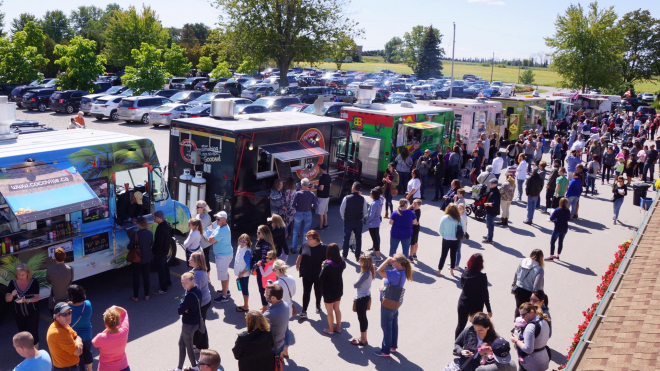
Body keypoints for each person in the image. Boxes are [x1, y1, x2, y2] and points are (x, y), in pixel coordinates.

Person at [374, 253, 413, 357]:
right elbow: (384, 279)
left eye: (393, 260)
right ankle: (393, 346)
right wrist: (383, 285)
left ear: (399, 263)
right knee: (394, 324)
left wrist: (386, 260)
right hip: (396, 301)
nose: (391, 261)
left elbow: (379, 271)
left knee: (386, 326)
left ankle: (385, 351)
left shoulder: (395, 274)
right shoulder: (402, 272)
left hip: (388, 302)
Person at [456, 254, 492, 339]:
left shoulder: (464, 272)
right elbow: (485, 294)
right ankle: (475, 346)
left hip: (463, 303)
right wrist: (489, 309)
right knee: (477, 327)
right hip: (476, 306)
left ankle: (457, 346)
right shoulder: (481, 277)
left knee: (460, 326)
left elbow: (462, 284)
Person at [5, 264, 41, 346]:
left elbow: (36, 298)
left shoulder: (33, 282)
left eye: (22, 275)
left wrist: (27, 300)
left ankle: (35, 355)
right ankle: (27, 354)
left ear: (27, 273)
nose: (20, 277)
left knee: (33, 334)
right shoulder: (12, 283)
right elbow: (7, 299)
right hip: (18, 314)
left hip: (32, 313)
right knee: (23, 335)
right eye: (18, 275)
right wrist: (12, 295)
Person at [295, 230, 326, 319]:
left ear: (316, 239)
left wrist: (324, 265)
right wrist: (297, 263)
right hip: (306, 273)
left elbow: (327, 260)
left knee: (318, 290)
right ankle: (304, 311)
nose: (307, 240)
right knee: (306, 292)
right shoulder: (305, 245)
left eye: (310, 238)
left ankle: (318, 305)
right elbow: (300, 254)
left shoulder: (323, 247)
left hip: (318, 273)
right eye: (307, 238)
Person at [511, 303, 551, 371]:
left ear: (532, 312)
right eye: (521, 315)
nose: (522, 317)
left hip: (531, 364)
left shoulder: (530, 327)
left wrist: (516, 341)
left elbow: (528, 349)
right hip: (543, 358)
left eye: (524, 315)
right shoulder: (544, 320)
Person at [175, 272, 202, 371]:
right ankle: (179, 368)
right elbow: (184, 308)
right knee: (181, 344)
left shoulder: (189, 296)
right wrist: (185, 307)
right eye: (182, 282)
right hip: (193, 322)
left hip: (189, 325)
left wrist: (183, 305)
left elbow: (179, 310)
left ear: (192, 281)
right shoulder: (197, 290)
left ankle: (194, 367)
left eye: (185, 282)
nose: (183, 284)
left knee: (189, 346)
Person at [47, 302, 84, 371]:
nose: (68, 316)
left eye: (69, 313)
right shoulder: (59, 332)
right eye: (64, 314)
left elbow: (76, 336)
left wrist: (77, 341)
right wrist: (79, 342)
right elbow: (78, 351)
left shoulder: (63, 325)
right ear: (56, 316)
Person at [319, 243, 346, 335]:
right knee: (337, 309)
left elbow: (320, 279)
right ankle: (338, 327)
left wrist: (322, 267)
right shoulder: (342, 263)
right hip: (338, 289)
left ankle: (330, 329)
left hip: (328, 291)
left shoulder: (327, 266)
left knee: (329, 311)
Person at [92, 306, 129, 371]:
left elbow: (94, 343)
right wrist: (115, 307)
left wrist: (106, 330)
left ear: (106, 324)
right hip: (123, 367)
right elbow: (124, 313)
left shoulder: (100, 337)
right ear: (118, 321)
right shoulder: (124, 332)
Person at [207, 211, 233, 303]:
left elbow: (210, 240)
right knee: (225, 273)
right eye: (216, 219)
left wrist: (211, 234)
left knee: (223, 276)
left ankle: (224, 296)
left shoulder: (223, 230)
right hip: (225, 254)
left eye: (218, 219)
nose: (216, 221)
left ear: (224, 220)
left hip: (223, 256)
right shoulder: (221, 226)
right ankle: (226, 290)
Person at [272, 260, 296, 358]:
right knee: (286, 329)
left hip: (279, 310)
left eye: (273, 269)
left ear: (277, 270)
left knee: (281, 332)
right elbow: (293, 293)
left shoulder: (277, 284)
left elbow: (273, 299)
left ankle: (281, 352)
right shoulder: (291, 278)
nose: (273, 271)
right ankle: (285, 350)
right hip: (289, 308)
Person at [512, 250, 545, 318]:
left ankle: (517, 324)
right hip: (529, 294)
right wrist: (535, 297)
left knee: (518, 308)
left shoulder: (523, 261)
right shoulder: (539, 269)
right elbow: (537, 286)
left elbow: (516, 273)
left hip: (518, 290)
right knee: (528, 312)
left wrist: (513, 284)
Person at [189, 251, 211, 351]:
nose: (189, 260)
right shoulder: (198, 271)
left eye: (191, 259)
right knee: (198, 324)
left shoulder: (197, 274)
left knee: (200, 325)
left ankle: (202, 346)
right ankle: (196, 344)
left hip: (200, 304)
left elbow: (195, 292)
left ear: (197, 262)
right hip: (204, 301)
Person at [350, 254, 374, 347]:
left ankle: (363, 340)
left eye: (360, 260)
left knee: (361, 318)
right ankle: (364, 337)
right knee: (364, 317)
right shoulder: (369, 271)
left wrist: (354, 281)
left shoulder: (364, 274)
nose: (359, 261)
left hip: (361, 298)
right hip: (366, 296)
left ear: (364, 262)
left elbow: (356, 285)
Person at [340, 181, 367, 260]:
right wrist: (363, 218)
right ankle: (358, 256)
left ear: (353, 188)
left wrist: (344, 218)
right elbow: (365, 211)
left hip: (348, 221)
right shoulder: (362, 199)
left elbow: (342, 210)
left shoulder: (346, 198)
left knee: (346, 238)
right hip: (358, 221)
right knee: (358, 239)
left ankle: (344, 255)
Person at [68, 285, 93, 371]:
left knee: (79, 357)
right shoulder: (88, 304)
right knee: (88, 353)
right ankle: (90, 369)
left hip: (76, 337)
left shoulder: (69, 309)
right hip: (87, 335)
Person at [128, 217, 153, 302]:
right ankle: (146, 295)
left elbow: (129, 247)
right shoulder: (150, 233)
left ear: (138, 225)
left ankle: (135, 297)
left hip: (137, 259)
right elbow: (151, 243)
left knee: (136, 277)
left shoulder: (135, 235)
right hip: (147, 258)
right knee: (146, 276)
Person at [436, 203, 465, 277]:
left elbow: (440, 229)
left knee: (443, 255)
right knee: (453, 255)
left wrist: (444, 235)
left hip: (446, 238)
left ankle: (439, 270)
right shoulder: (459, 218)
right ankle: (451, 271)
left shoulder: (444, 218)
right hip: (455, 239)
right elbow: (463, 229)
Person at [253, 225, 276, 312]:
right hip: (261, 269)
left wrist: (254, 266)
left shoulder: (266, 244)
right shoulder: (260, 242)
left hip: (264, 270)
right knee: (263, 289)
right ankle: (265, 305)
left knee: (263, 289)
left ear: (264, 234)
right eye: (257, 232)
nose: (257, 234)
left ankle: (266, 307)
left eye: (259, 232)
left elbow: (263, 260)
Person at [291, 178, 317, 253]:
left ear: (301, 185)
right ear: (308, 185)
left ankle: (293, 248)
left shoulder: (297, 193)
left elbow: (293, 205)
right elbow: (315, 206)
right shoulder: (311, 194)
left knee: (296, 231)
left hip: (299, 212)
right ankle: (304, 249)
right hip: (308, 213)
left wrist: (298, 208)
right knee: (306, 232)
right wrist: (310, 206)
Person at [263, 283, 289, 357]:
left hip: (272, 348)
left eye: (266, 294)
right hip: (281, 343)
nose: (265, 295)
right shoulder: (285, 304)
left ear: (273, 298)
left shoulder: (269, 314)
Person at [46, 247, 74, 315]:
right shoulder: (70, 269)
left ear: (54, 257)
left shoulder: (50, 269)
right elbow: (71, 281)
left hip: (54, 302)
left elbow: (48, 281)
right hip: (67, 301)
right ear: (65, 256)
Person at [152, 210, 173, 295]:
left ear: (159, 218)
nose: (154, 218)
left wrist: (154, 252)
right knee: (165, 268)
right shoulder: (167, 226)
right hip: (165, 250)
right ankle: (168, 283)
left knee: (161, 271)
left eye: (155, 217)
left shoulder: (160, 228)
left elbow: (158, 242)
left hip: (160, 252)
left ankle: (163, 288)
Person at [546, 197, 571, 261]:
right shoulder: (568, 211)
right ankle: (558, 255)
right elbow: (568, 218)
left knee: (552, 242)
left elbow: (551, 218)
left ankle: (551, 256)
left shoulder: (557, 210)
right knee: (560, 242)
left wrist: (554, 218)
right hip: (565, 228)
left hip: (557, 228)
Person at [234, 234, 252, 312]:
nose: (241, 243)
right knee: (243, 289)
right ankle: (245, 304)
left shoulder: (247, 251)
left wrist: (242, 273)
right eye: (240, 241)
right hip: (240, 273)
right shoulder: (239, 247)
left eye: (244, 241)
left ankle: (246, 306)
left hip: (244, 274)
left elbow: (248, 265)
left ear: (247, 242)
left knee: (244, 289)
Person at [365, 187, 384, 262]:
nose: (370, 194)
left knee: (375, 240)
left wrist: (367, 220)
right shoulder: (379, 201)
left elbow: (372, 215)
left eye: (371, 193)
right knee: (374, 239)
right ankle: (374, 252)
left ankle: (378, 256)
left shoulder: (375, 203)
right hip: (376, 223)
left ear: (374, 195)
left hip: (373, 224)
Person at [195, 200, 213, 277]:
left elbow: (199, 227)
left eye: (198, 207)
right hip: (199, 242)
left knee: (205, 259)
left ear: (203, 208)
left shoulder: (206, 217)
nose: (196, 208)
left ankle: (208, 276)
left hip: (205, 243)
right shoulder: (198, 216)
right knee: (199, 259)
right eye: (196, 207)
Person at [483, 178, 501, 244]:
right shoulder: (493, 190)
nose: (490, 184)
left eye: (492, 183)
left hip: (491, 211)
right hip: (490, 211)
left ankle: (489, 239)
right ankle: (489, 235)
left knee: (490, 225)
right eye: (490, 183)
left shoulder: (495, 193)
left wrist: (487, 204)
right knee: (489, 225)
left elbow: (494, 203)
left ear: (495, 184)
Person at [315, 164, 332, 229]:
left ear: (322, 169)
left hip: (322, 197)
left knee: (320, 213)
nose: (319, 170)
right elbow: (329, 185)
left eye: (320, 168)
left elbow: (321, 188)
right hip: (327, 196)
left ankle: (320, 226)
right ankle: (326, 223)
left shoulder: (322, 177)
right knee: (324, 211)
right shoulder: (328, 176)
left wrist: (316, 187)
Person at [409, 199, 422, 263]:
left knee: (413, 242)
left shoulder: (417, 211)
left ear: (419, 206)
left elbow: (416, 222)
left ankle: (411, 256)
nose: (413, 205)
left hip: (415, 228)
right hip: (412, 227)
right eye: (413, 204)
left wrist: (410, 221)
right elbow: (405, 211)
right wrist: (410, 206)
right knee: (415, 241)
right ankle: (414, 254)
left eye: (415, 205)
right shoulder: (412, 209)